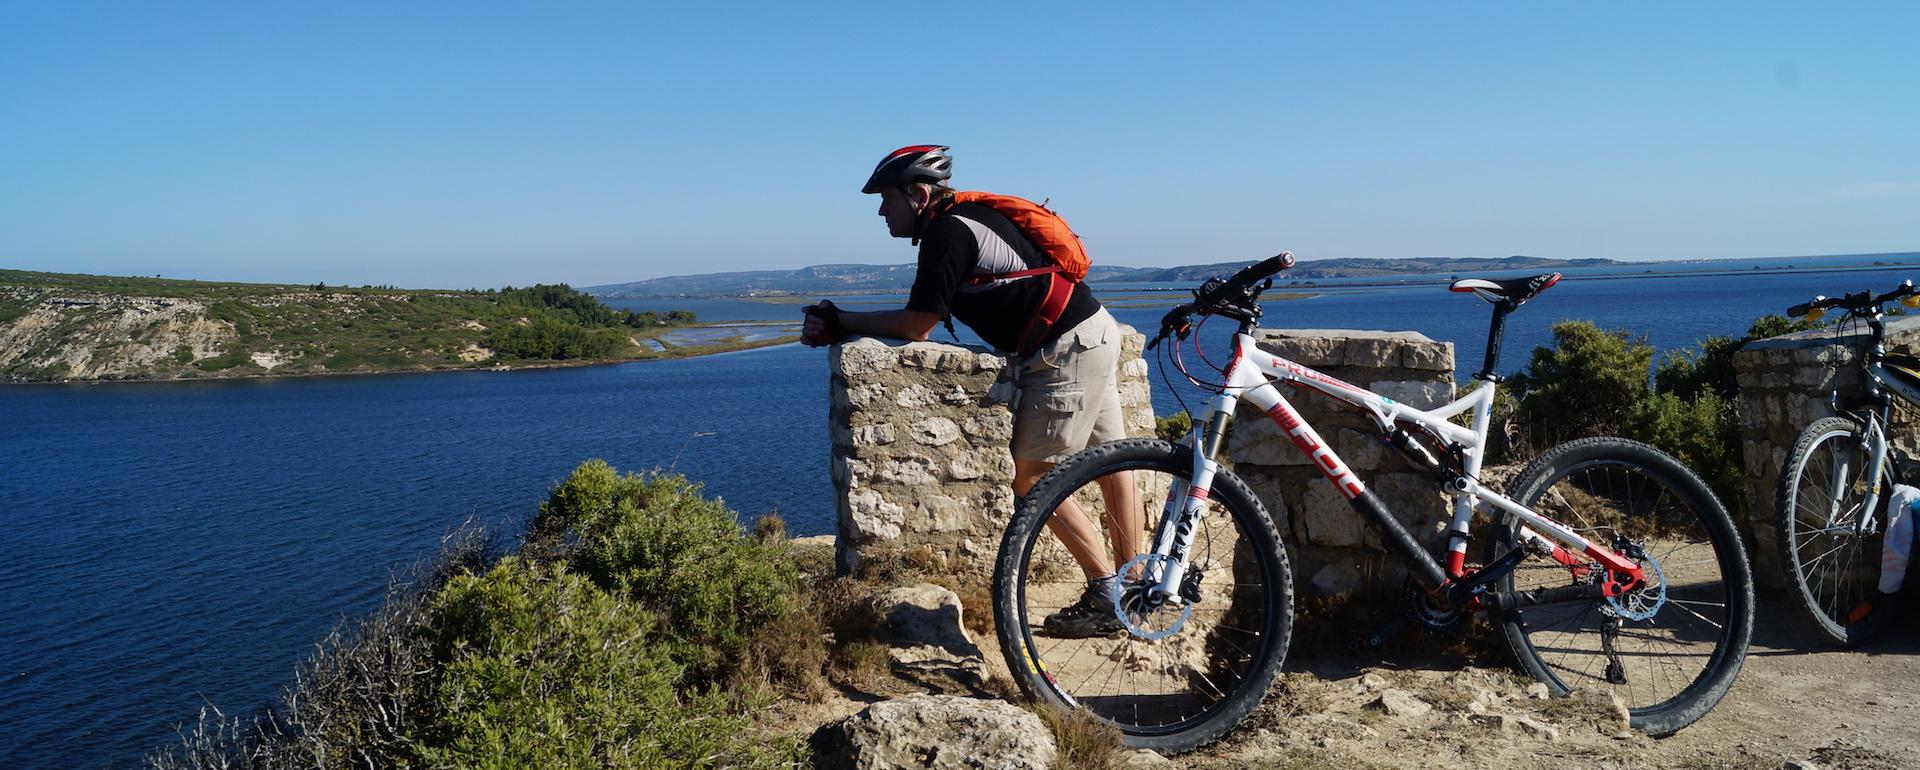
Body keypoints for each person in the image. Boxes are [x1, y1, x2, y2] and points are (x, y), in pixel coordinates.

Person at [802, 145, 1140, 638]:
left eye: (887, 199)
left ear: (918, 195)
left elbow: (917, 325)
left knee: (1033, 481)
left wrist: (840, 322)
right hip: (1093, 331)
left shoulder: (948, 231)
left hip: (1062, 350)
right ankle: (1140, 583)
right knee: (1114, 465)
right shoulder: (968, 217)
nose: (880, 211)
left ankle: (1109, 593)